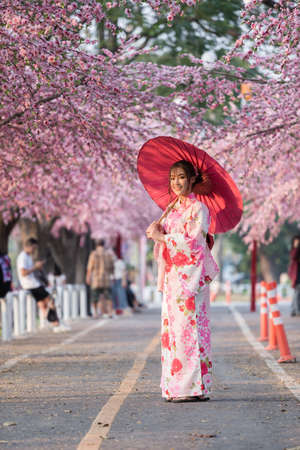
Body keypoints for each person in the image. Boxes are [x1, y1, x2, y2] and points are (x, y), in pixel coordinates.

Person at [146, 160, 219, 403]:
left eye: (181, 177)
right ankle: (176, 386)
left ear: (191, 180)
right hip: (173, 280)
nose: (176, 183)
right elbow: (166, 243)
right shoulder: (172, 208)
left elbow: (195, 244)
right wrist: (158, 234)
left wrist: (164, 238)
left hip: (190, 278)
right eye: (173, 178)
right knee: (173, 333)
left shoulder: (198, 209)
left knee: (190, 331)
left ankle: (193, 388)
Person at [17, 238, 68, 332]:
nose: (34, 250)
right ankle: (56, 323)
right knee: (50, 302)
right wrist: (35, 267)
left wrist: (37, 268)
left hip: (33, 284)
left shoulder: (28, 256)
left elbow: (30, 271)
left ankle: (55, 324)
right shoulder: (22, 257)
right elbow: (23, 273)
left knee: (43, 306)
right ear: (28, 246)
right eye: (33, 248)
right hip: (31, 285)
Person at [86, 239, 114, 318]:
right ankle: (110, 312)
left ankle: (95, 312)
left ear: (96, 245)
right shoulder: (108, 254)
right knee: (108, 296)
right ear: (103, 244)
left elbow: (90, 267)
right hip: (106, 279)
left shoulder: (93, 254)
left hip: (96, 279)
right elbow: (112, 267)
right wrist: (113, 276)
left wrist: (88, 277)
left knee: (95, 297)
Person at [288, 235, 300, 317]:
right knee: (297, 291)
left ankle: (293, 310)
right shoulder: (293, 250)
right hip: (296, 274)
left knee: (297, 292)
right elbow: (293, 257)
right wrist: (296, 247)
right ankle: (296, 310)